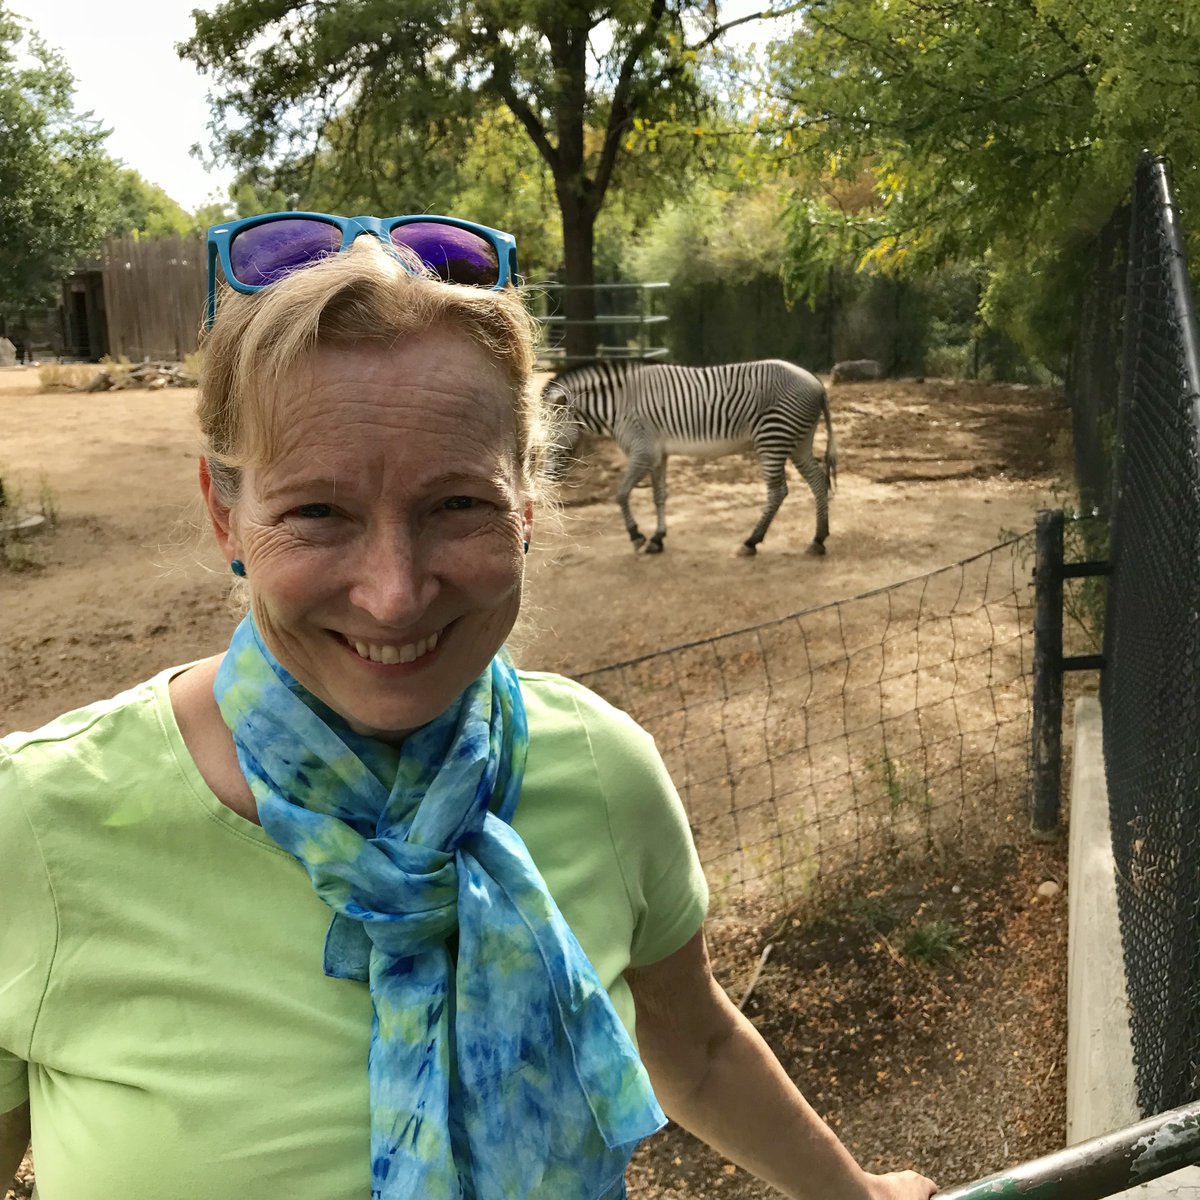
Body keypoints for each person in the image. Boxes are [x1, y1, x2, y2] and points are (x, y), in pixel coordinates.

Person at [0, 211, 939, 1200]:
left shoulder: (605, 772)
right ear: (223, 511)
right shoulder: (37, 828)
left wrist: (856, 1195)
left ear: (527, 507)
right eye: (317, 511)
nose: (394, 595)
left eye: (458, 505)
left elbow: (696, 1045)